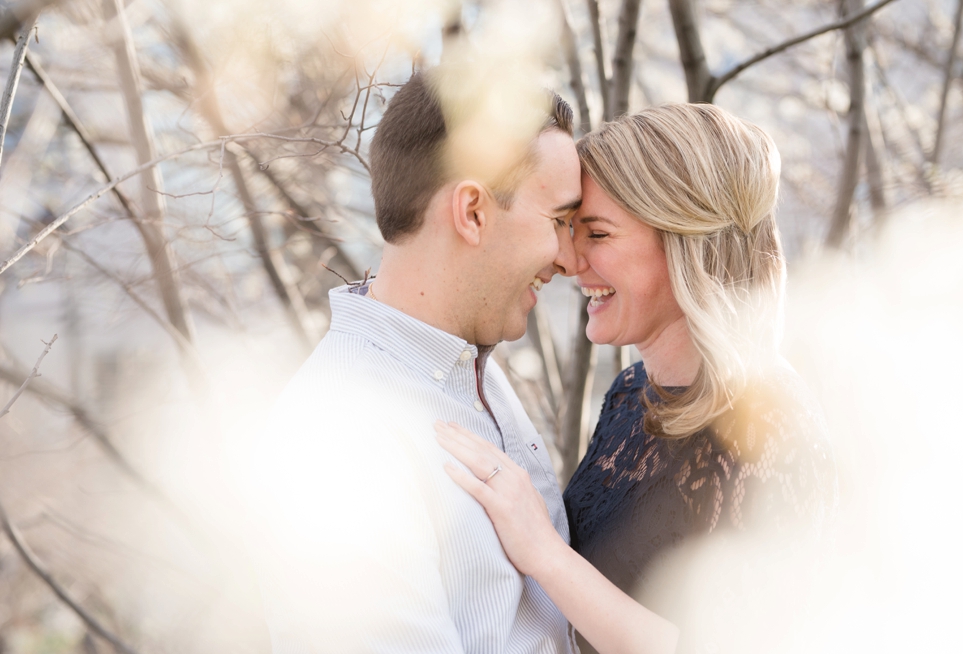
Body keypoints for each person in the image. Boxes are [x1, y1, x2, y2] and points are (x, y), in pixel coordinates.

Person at [436, 103, 837, 654]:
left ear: (684, 245)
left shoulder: (773, 430)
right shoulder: (630, 395)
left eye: (597, 234)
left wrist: (543, 551)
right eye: (571, 230)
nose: (570, 261)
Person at [248, 69, 583, 652]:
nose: (568, 259)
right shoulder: (338, 432)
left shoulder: (468, 366)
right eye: (558, 221)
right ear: (473, 211)